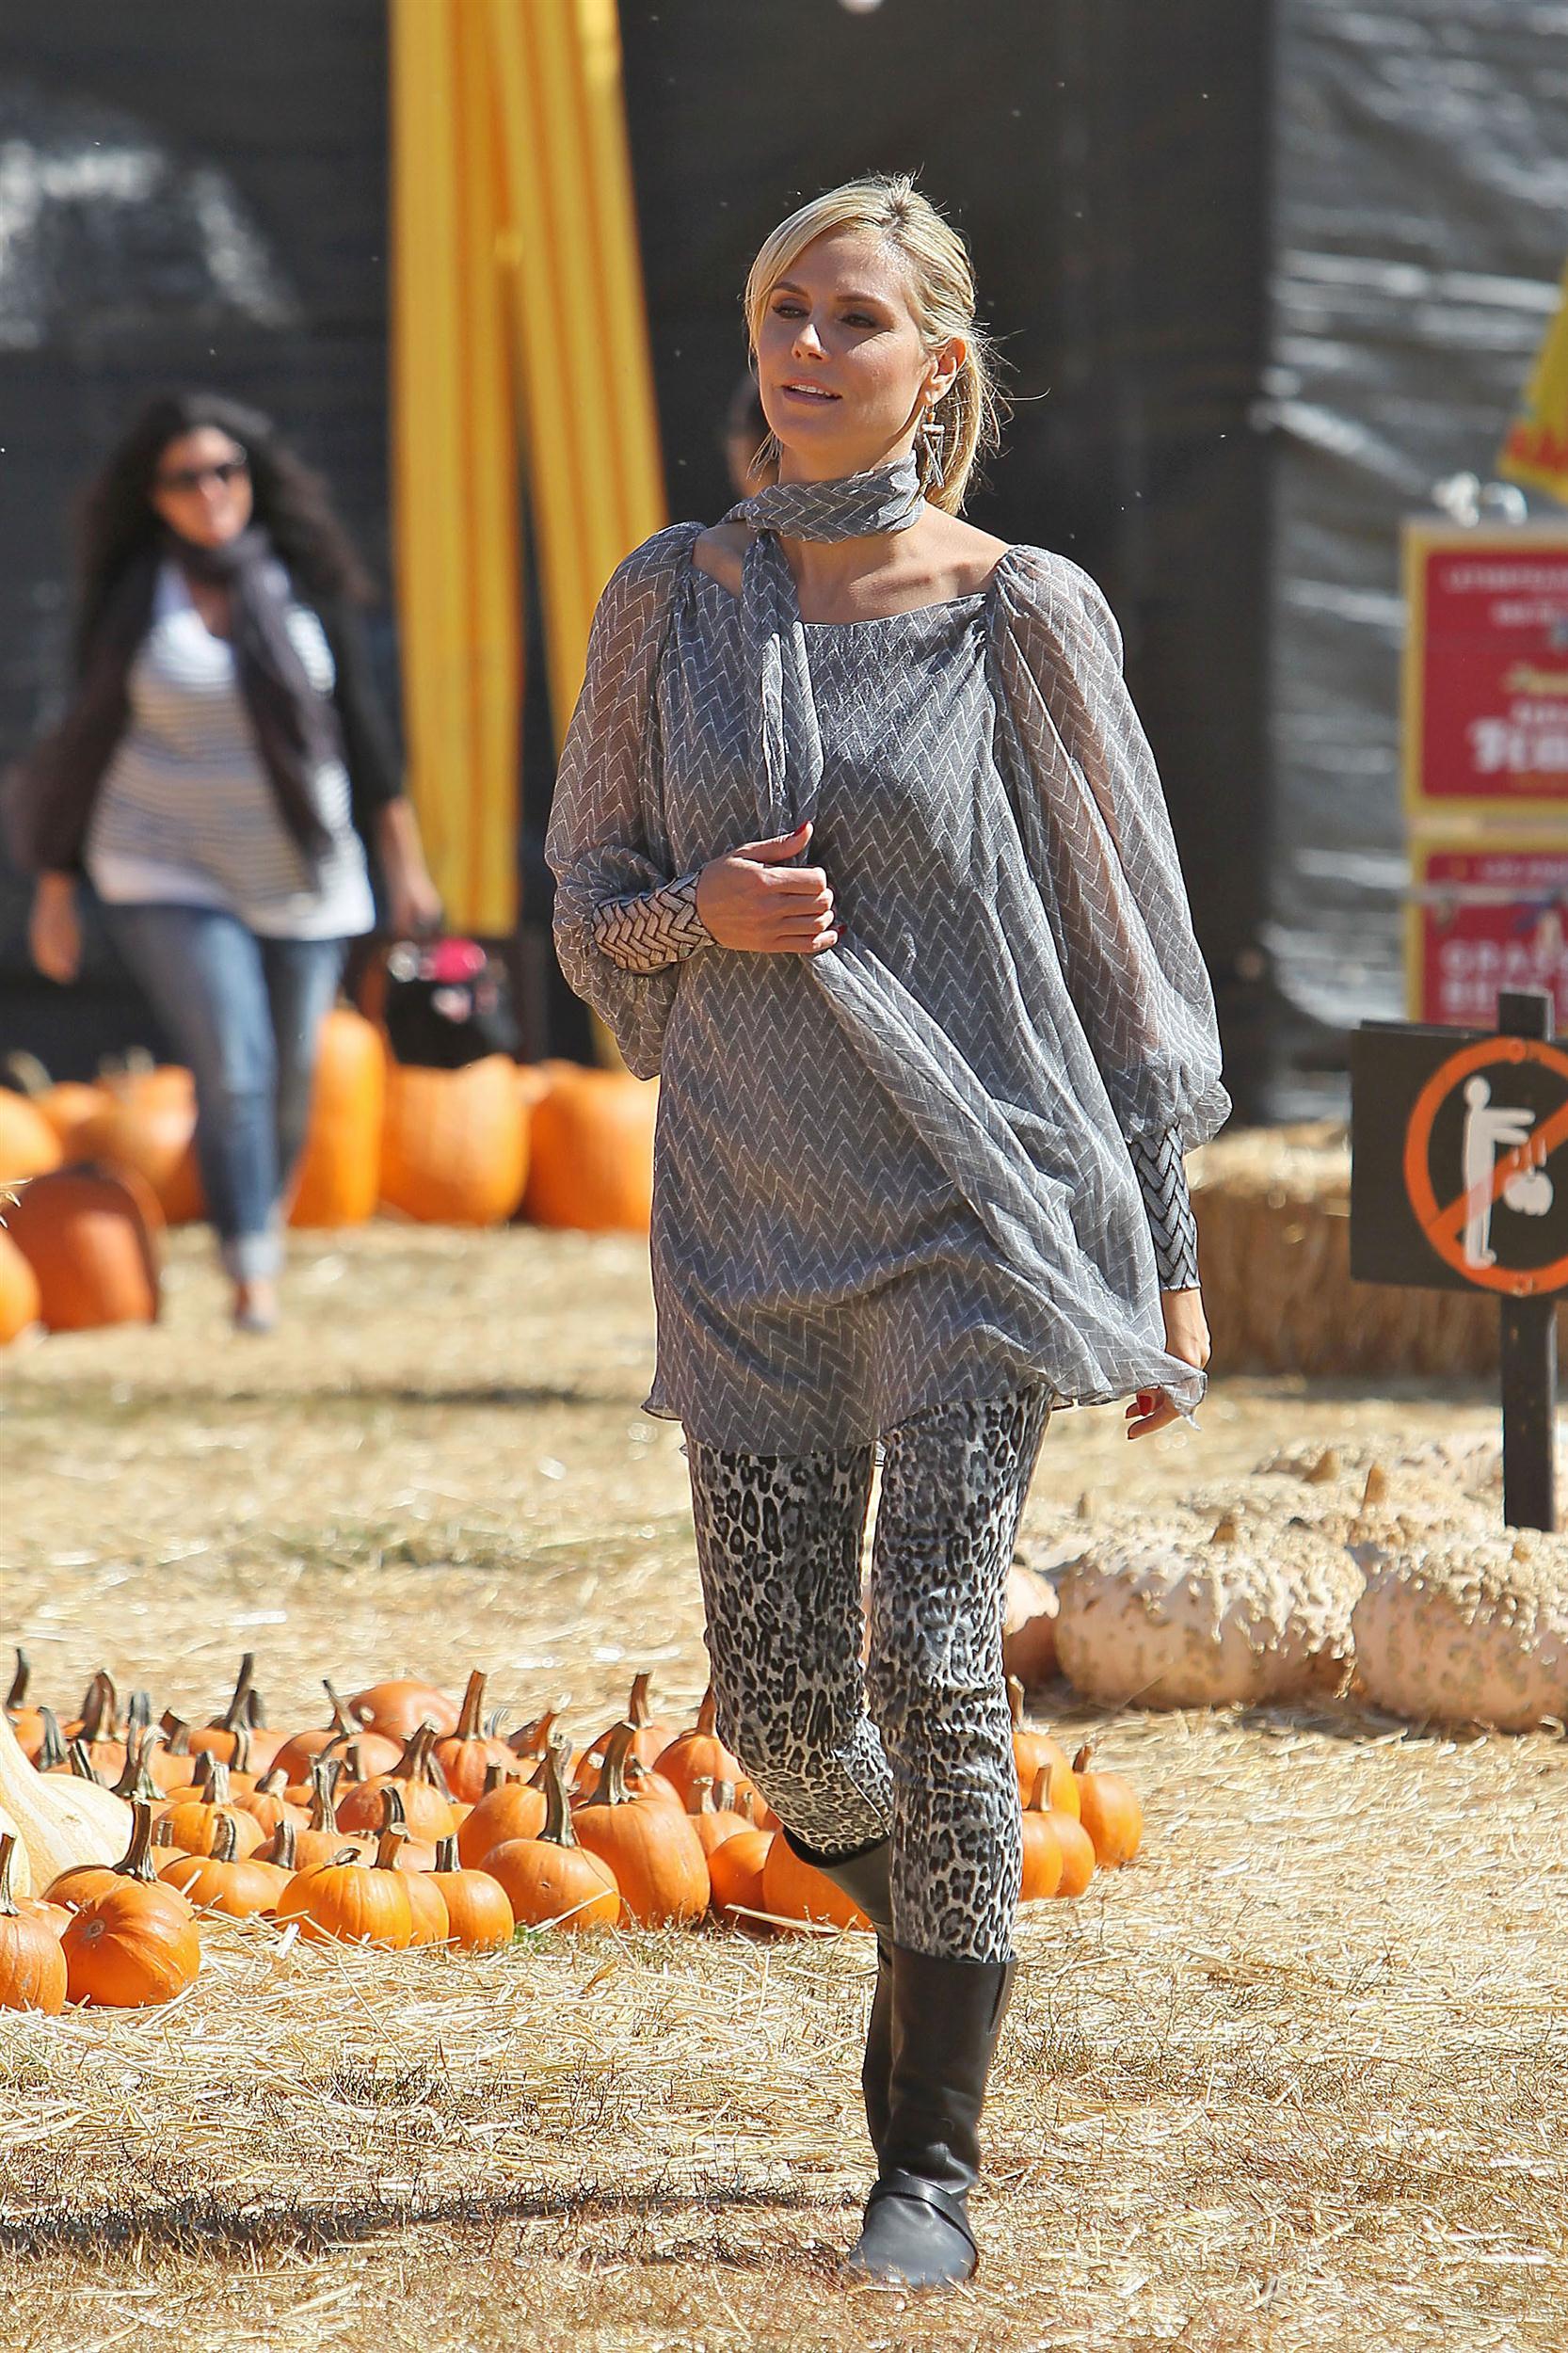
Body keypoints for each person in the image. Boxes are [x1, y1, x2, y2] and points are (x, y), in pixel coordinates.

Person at [547, 174, 1229, 2291]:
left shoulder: (1021, 608)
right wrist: (701, 919)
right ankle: (947, 1903)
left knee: (931, 1661)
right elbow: (584, 903)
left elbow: (1126, 948)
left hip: (970, 1204)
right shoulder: (669, 596)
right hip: (747, 1215)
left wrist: (1163, 1232)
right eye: (778, 311)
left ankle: (920, 2160)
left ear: (937, 367)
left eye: (852, 318)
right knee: (775, 1714)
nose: (803, 349)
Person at [17, 391, 440, 1331]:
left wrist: (404, 863)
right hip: (163, 864)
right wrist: (55, 885)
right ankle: (252, 1274)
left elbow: (362, 735)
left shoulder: (303, 583)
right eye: (184, 478)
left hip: (303, 870)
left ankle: (262, 1227)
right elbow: (84, 738)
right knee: (236, 1064)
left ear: (253, 478)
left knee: (293, 1071)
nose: (209, 491)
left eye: (225, 471)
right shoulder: (136, 597)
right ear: (153, 496)